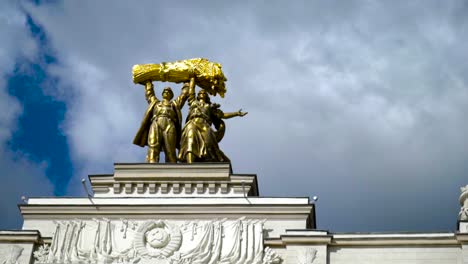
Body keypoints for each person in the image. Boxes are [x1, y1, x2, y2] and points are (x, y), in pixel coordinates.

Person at [178, 86, 247, 163]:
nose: (202, 93)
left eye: (204, 93)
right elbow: (191, 91)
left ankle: (209, 159)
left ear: (207, 97)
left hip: (205, 125)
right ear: (197, 95)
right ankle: (190, 163)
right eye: (200, 93)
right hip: (193, 122)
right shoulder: (193, 102)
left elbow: (223, 115)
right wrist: (192, 77)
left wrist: (237, 113)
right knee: (190, 139)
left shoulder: (210, 107)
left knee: (209, 143)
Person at [133, 81, 188, 163]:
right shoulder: (156, 103)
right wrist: (148, 83)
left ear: (171, 95)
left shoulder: (174, 104)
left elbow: (183, 96)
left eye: (168, 91)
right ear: (162, 94)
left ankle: (173, 170)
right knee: (153, 146)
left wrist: (187, 83)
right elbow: (150, 94)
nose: (166, 92)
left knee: (170, 150)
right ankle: (151, 168)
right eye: (165, 91)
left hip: (169, 124)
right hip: (156, 123)